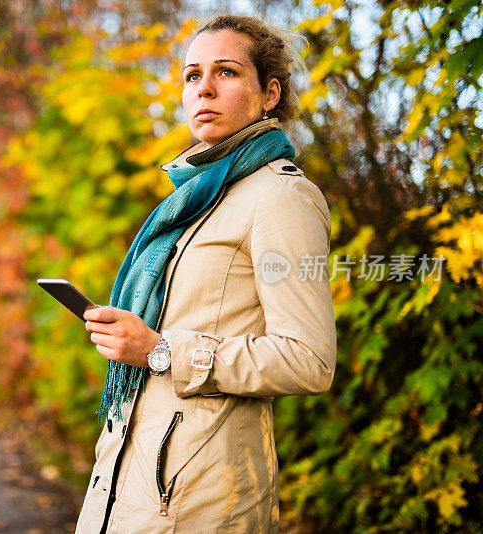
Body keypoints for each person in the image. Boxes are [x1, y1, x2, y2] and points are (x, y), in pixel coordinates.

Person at [75, 14, 337, 533]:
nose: (205, 89)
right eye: (192, 75)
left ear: (270, 93)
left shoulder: (281, 196)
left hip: (206, 497)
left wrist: (160, 350)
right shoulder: (197, 196)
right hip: (129, 475)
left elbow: (309, 360)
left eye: (227, 72)